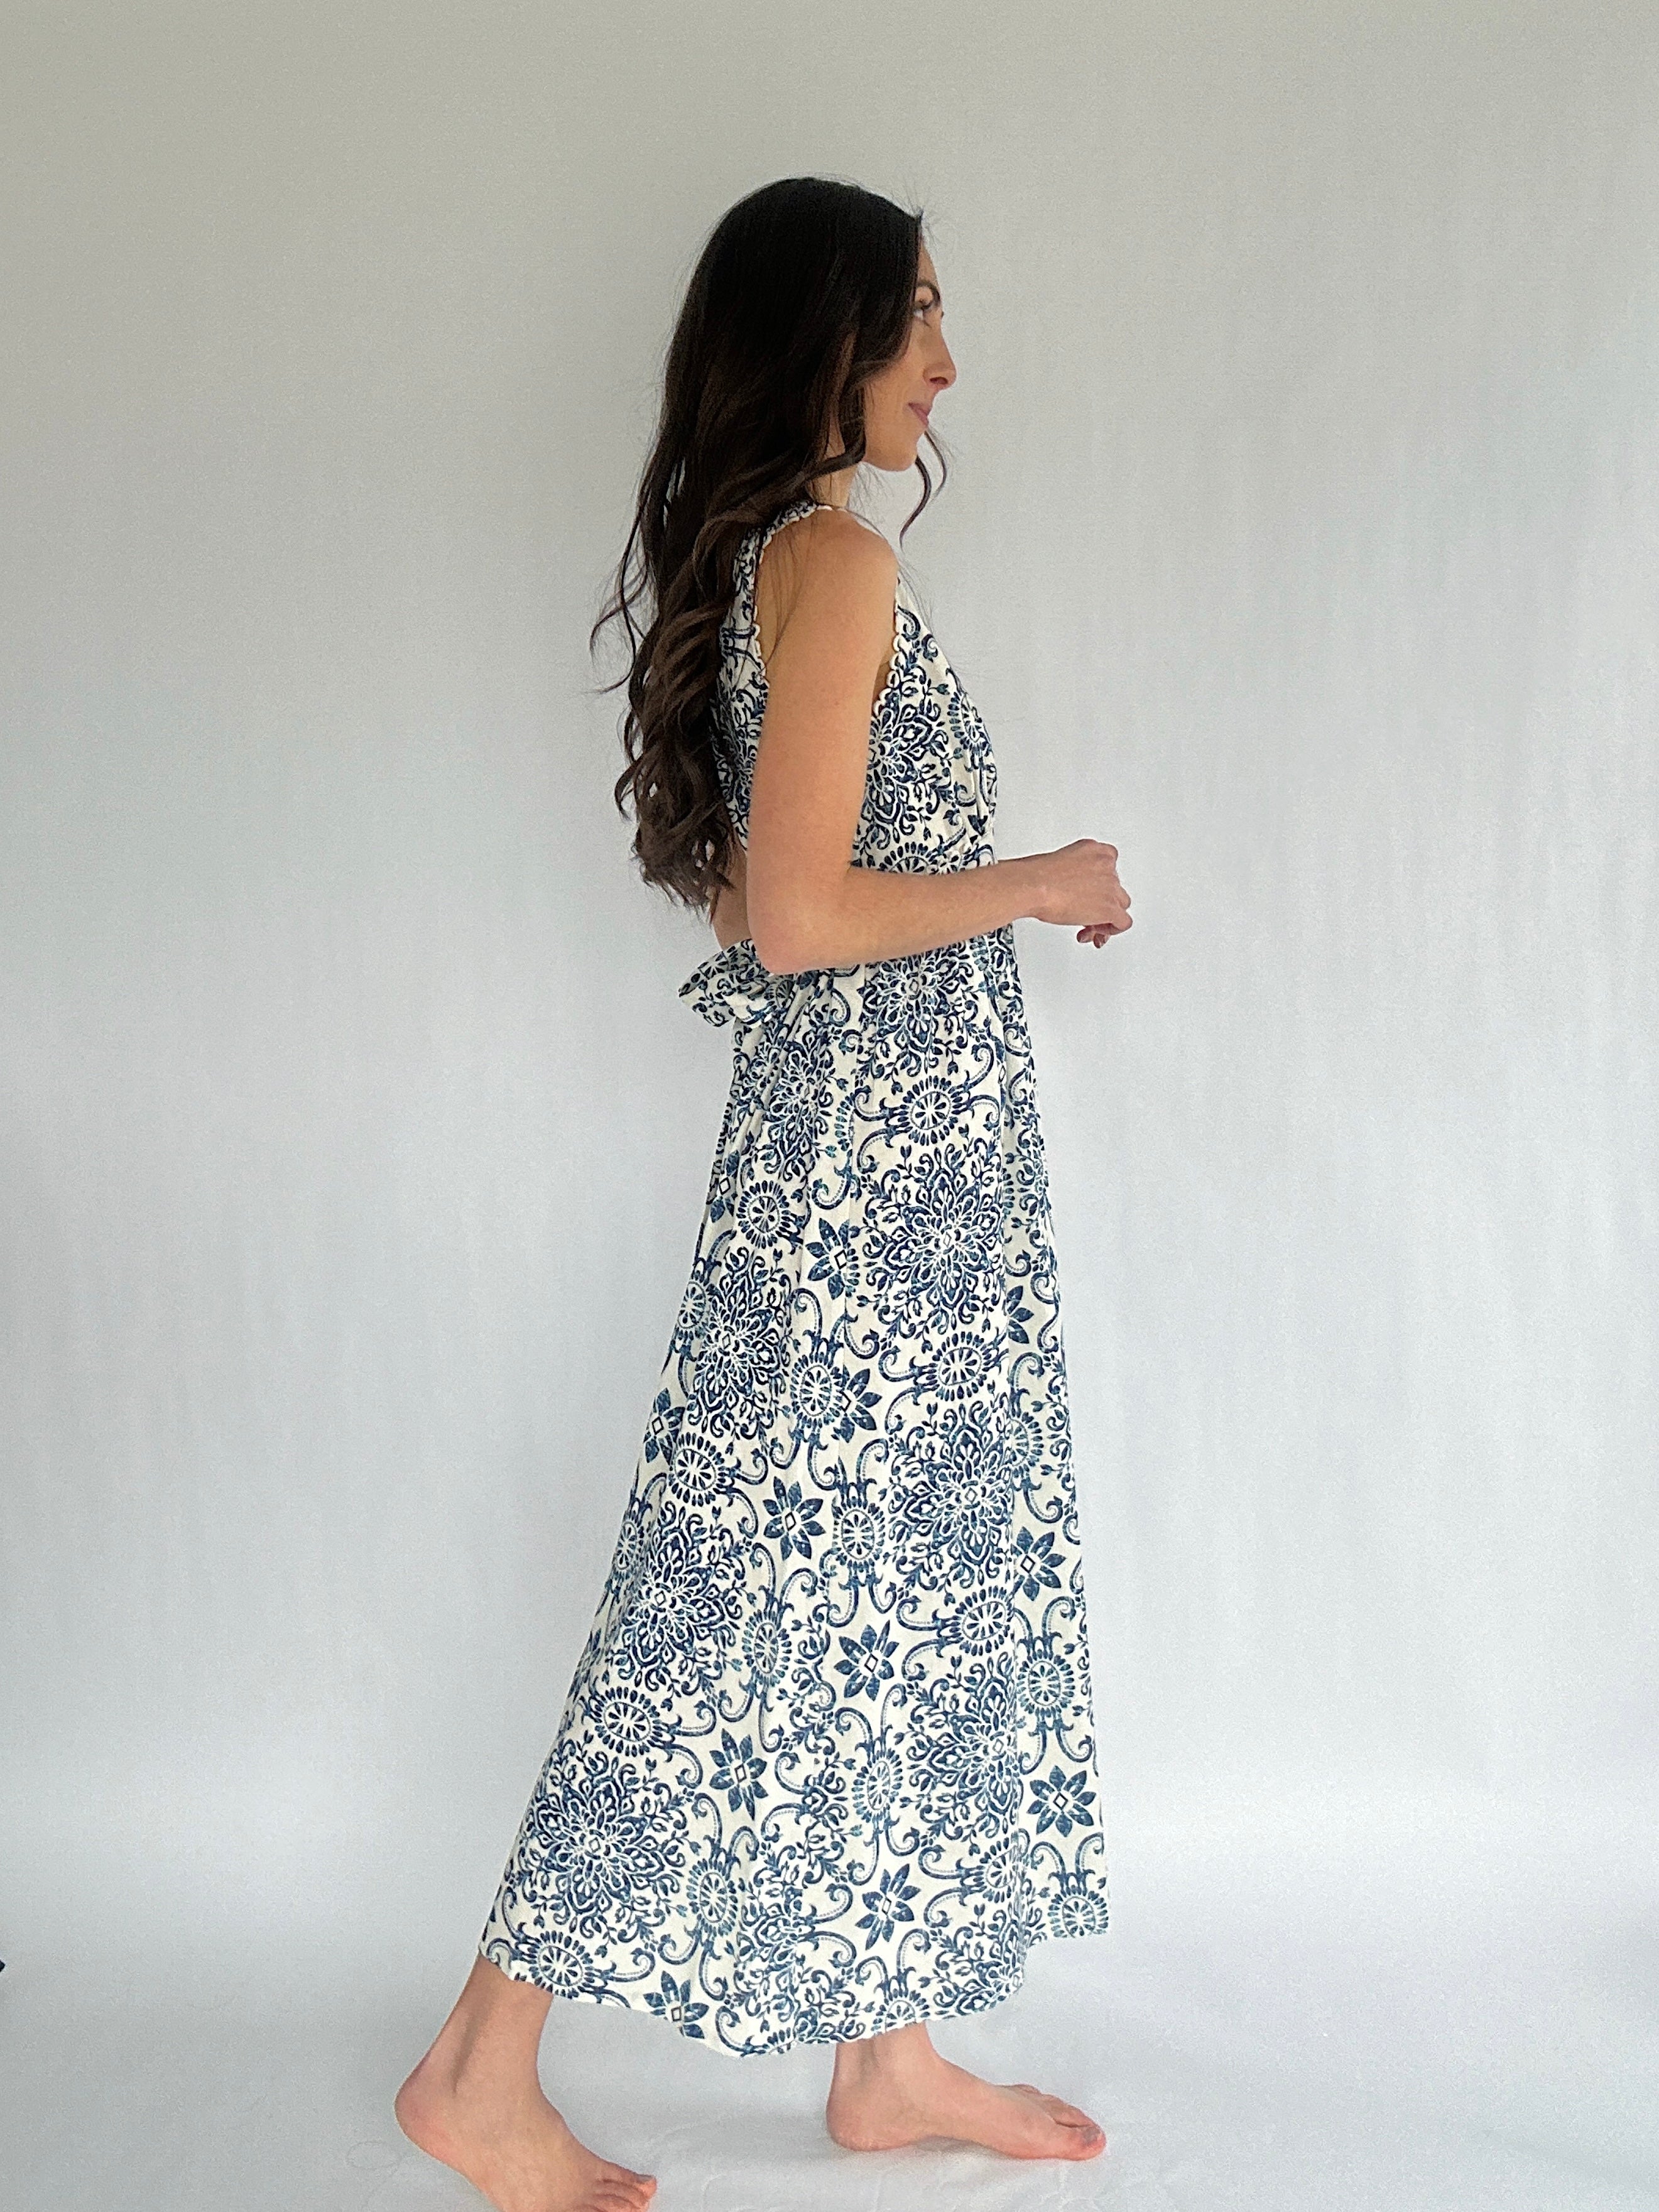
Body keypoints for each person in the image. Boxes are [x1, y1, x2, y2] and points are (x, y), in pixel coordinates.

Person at [394, 175, 1133, 2212]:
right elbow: (799, 914)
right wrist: (1041, 878)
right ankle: (479, 2070)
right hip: (862, 1195)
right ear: (829, 340)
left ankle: (882, 2061)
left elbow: (745, 883)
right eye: (916, 320)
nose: (947, 362)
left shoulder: (778, 569)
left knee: (890, 1592)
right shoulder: (838, 564)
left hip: (884, 1174)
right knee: (710, 1609)